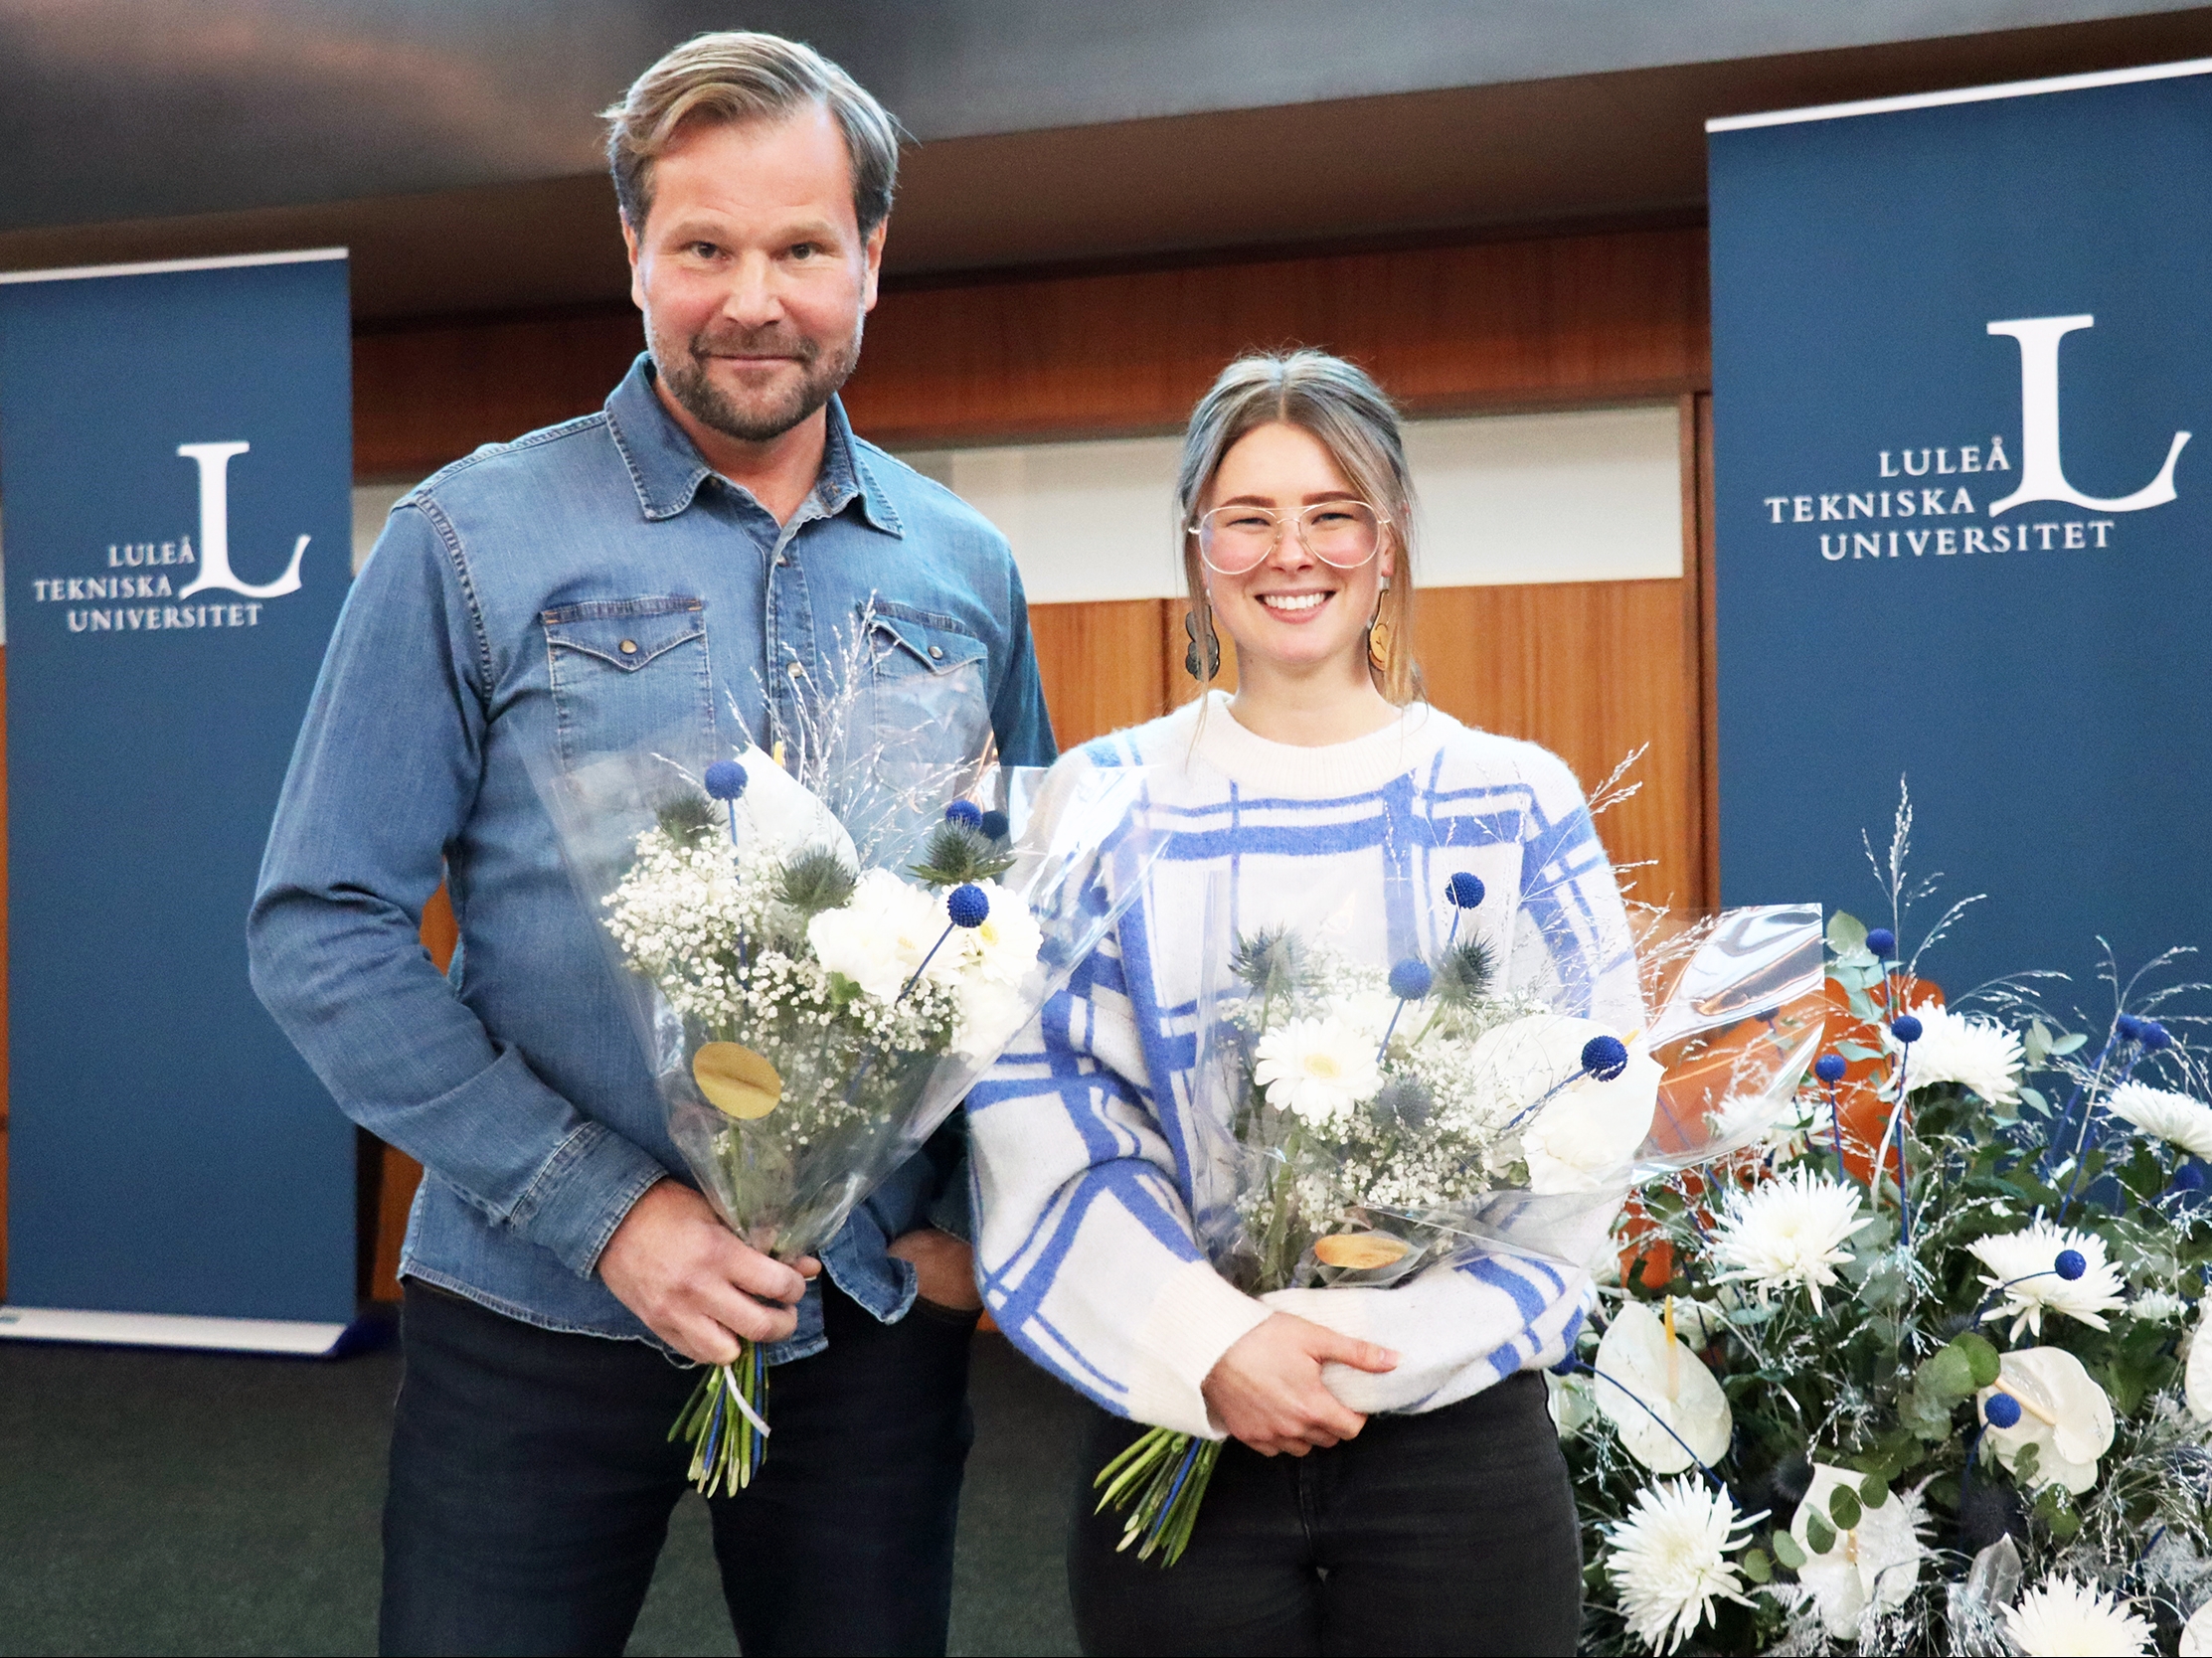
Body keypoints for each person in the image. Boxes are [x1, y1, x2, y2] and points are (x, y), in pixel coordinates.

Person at [248, 32, 1052, 1657]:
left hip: (865, 1316)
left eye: (801, 248)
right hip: (533, 1306)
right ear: (632, 254)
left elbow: (1011, 915)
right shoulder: (472, 537)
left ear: (870, 259)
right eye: (703, 247)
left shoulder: (965, 565)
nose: (752, 297)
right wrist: (608, 1211)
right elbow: (319, 926)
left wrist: (972, 1220)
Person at [966, 350, 1640, 1655]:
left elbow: (1583, 1120)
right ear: (1196, 549)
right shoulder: (1098, 804)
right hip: (1178, 1414)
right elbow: (1041, 1119)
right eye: (1249, 517)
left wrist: (1362, 1338)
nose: (1294, 553)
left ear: (1387, 545)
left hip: (1451, 1436)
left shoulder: (1513, 797)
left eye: (1333, 514)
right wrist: (1213, 1342)